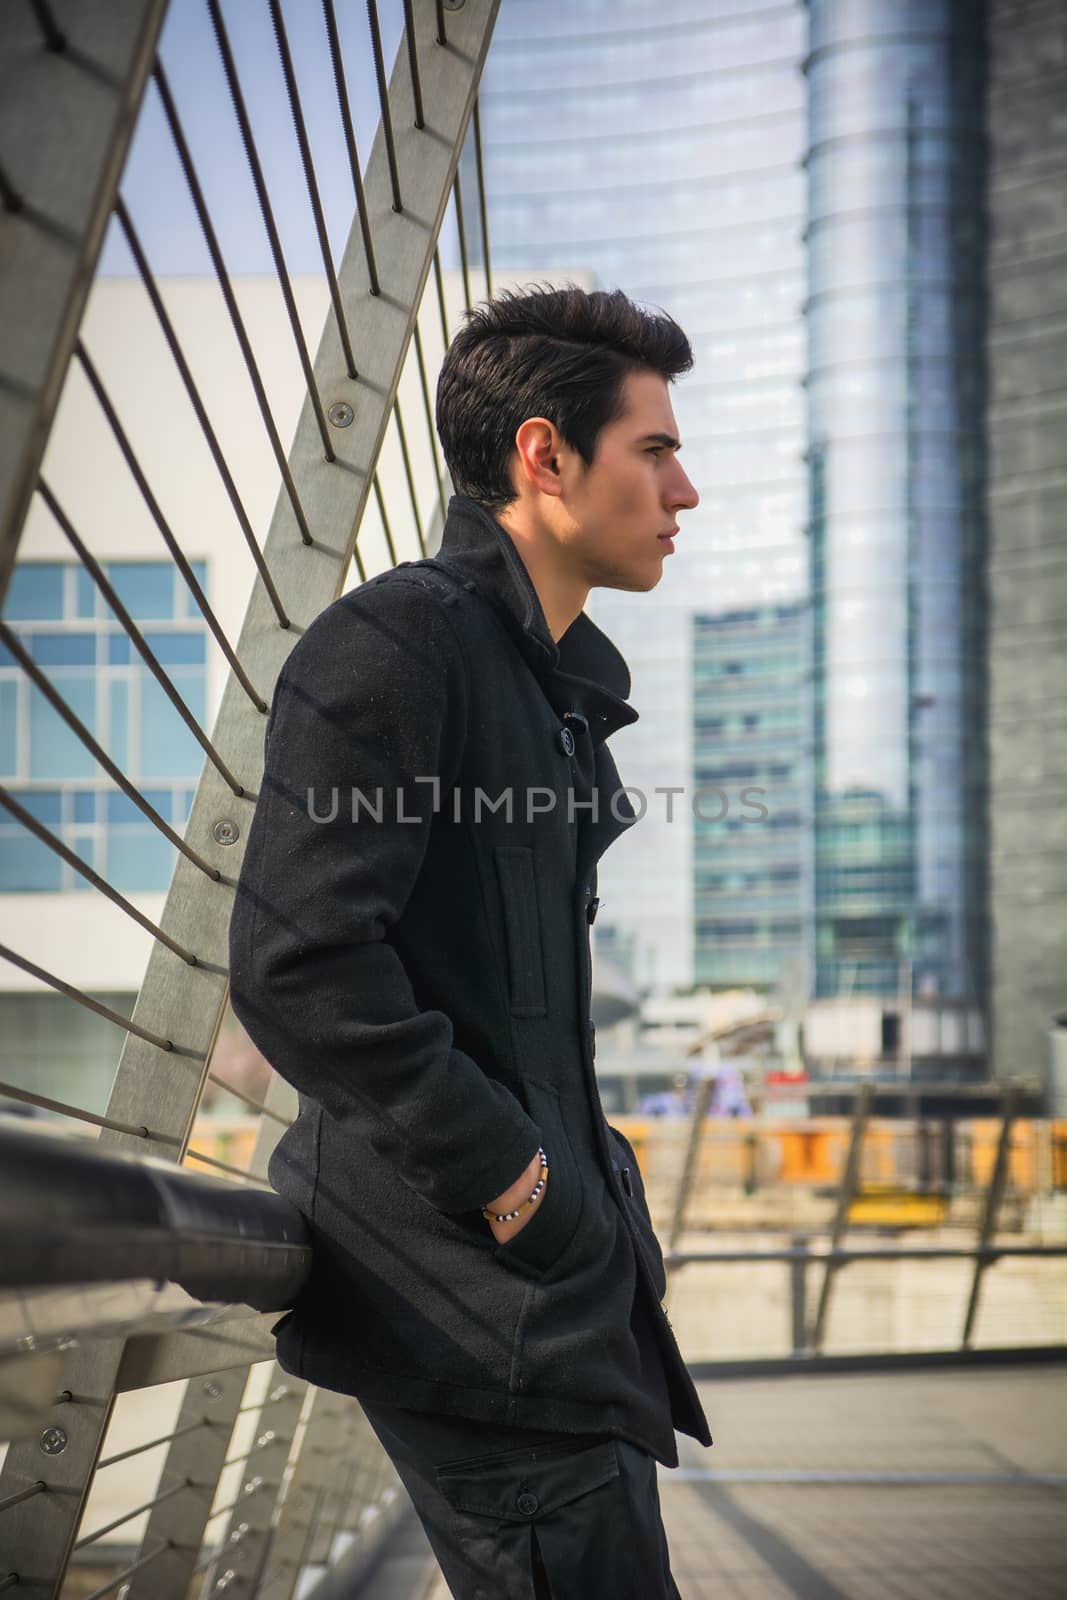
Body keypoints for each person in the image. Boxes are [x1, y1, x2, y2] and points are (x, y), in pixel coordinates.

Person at [228, 284, 712, 1598]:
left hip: (548, 1308)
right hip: (479, 1300)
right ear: (545, 456)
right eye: (656, 451)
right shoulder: (398, 643)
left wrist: (585, 1195)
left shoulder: (539, 685)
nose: (686, 493)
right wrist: (521, 1183)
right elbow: (301, 964)